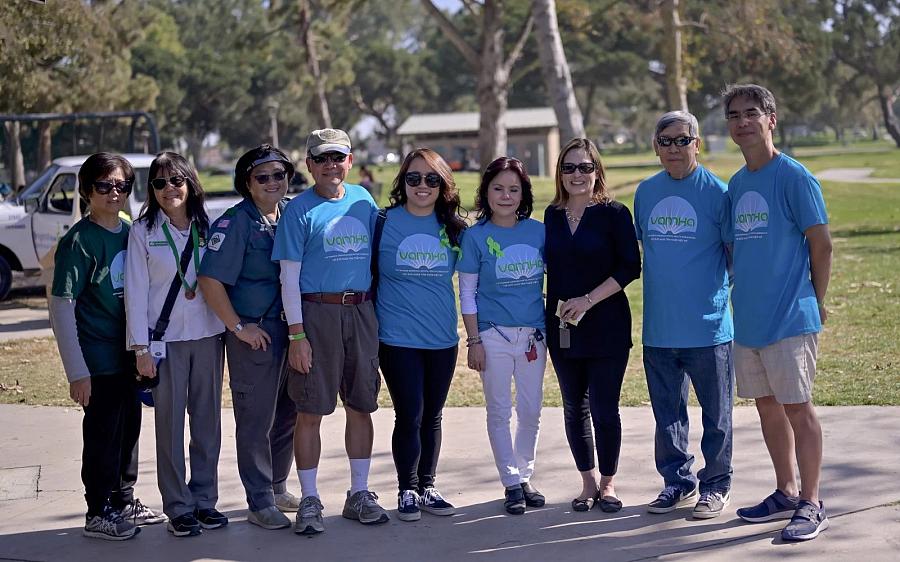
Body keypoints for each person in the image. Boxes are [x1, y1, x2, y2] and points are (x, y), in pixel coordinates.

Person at [723, 84, 832, 541]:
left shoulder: (794, 177)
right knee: (767, 408)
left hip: (790, 316)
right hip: (748, 319)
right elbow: (733, 248)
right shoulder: (737, 182)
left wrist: (817, 300)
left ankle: (811, 502)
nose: (742, 121)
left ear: (771, 119)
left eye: (752, 113)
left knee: (797, 408)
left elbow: (821, 243)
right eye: (734, 115)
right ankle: (785, 492)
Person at [272, 128, 389, 535]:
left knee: (361, 405)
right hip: (316, 314)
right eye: (321, 159)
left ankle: (359, 493)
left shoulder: (363, 200)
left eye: (337, 157)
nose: (330, 166)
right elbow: (288, 279)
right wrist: (297, 336)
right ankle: (308, 499)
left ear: (350, 161)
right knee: (310, 411)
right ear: (309, 165)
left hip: (360, 312)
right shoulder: (297, 211)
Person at [49, 152, 165, 541]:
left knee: (129, 428)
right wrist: (76, 371)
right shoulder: (78, 242)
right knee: (102, 434)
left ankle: (123, 499)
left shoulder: (132, 229)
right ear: (86, 190)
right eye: (105, 185)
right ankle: (98, 510)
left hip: (130, 354)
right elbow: (61, 307)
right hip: (97, 359)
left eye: (122, 185)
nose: (114, 193)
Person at [634, 112, 734, 518]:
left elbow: (732, 257)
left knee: (717, 416)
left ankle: (716, 485)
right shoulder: (645, 192)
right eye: (666, 141)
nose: (674, 148)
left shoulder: (718, 193)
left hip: (708, 329)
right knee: (667, 416)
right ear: (656, 146)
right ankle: (678, 482)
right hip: (659, 328)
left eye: (682, 140)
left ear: (697, 143)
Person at [197, 145, 300, 531]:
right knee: (257, 418)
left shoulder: (291, 212)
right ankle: (258, 501)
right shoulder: (235, 223)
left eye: (279, 174)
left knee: (288, 412)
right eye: (263, 177)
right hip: (256, 333)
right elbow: (210, 280)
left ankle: (276, 486)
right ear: (247, 183)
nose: (273, 182)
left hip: (293, 329)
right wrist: (239, 328)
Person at [124, 152, 226, 538]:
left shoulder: (208, 225)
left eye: (176, 181)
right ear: (152, 190)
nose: (170, 189)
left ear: (190, 183)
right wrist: (140, 349)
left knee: (207, 424)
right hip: (163, 342)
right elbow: (134, 293)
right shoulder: (143, 231)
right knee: (169, 427)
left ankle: (205, 501)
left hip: (208, 336)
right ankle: (178, 507)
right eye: (160, 183)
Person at [543, 139, 641, 513]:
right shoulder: (552, 215)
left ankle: (608, 483)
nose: (577, 175)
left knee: (604, 408)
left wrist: (587, 300)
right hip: (562, 329)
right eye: (569, 168)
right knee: (574, 407)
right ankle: (586, 483)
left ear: (597, 170)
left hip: (607, 326)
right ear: (560, 173)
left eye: (585, 167)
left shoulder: (615, 213)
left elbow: (630, 267)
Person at [375, 148, 466, 521]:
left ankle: (428, 486)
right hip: (396, 339)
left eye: (432, 179)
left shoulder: (456, 229)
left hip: (442, 339)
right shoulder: (382, 222)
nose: (422, 186)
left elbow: (480, 279)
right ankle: (407, 488)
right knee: (409, 413)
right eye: (413, 178)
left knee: (433, 415)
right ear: (403, 183)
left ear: (443, 184)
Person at [457, 156, 547, 515]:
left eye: (514, 189)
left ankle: (525, 476)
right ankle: (510, 481)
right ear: (486, 192)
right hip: (492, 336)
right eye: (498, 188)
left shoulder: (539, 231)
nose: (506, 196)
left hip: (532, 337)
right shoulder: (475, 236)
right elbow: (466, 293)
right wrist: (474, 340)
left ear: (523, 193)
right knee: (499, 411)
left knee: (531, 410)